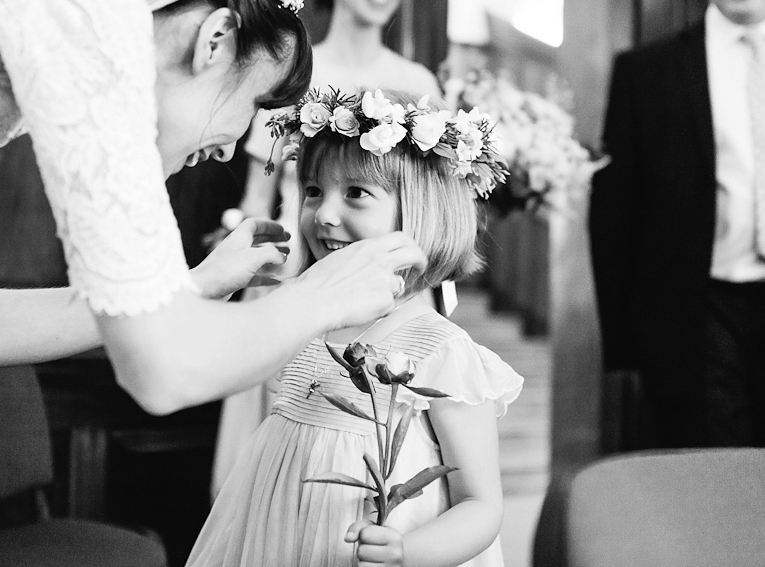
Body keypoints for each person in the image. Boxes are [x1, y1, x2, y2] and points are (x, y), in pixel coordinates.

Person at [0, 0, 428, 564]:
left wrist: (190, 287)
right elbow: (163, 374)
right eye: (252, 102)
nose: (230, 148)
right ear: (215, 40)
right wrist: (321, 297)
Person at [187, 89, 524, 567]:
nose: (324, 214)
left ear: (417, 212)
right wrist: (214, 284)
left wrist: (409, 551)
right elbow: (200, 363)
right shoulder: (299, 323)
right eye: (312, 191)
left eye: (356, 193)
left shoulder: (440, 352)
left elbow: (481, 505)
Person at [212, 0, 445, 498]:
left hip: (389, 294)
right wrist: (250, 251)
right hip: (294, 277)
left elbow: (428, 206)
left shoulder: (418, 84)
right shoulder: (294, 71)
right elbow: (256, 197)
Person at [590, 0, 765, 449]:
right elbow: (614, 215)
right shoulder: (645, 71)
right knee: (716, 482)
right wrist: (626, 347)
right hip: (697, 315)